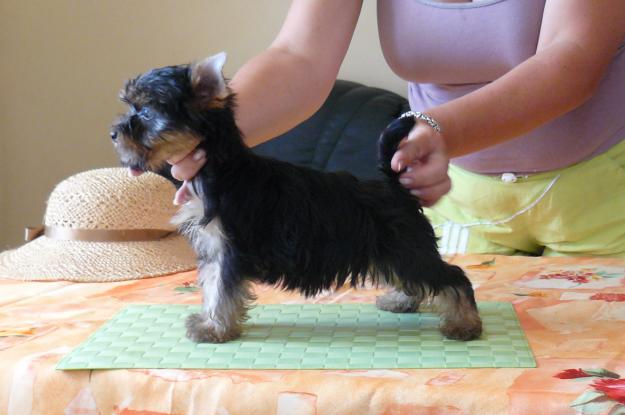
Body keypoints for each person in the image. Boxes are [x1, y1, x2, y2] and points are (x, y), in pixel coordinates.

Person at [167, 0, 625, 257]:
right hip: (458, 199)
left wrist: (438, 129)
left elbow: (571, 58)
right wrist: (212, 132)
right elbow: (299, 57)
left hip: (601, 194)